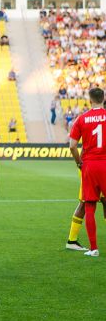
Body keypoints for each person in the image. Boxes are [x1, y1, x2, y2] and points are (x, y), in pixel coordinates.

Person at [69, 87, 106, 257]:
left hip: (90, 165)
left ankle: (94, 249)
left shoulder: (82, 119)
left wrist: (79, 162)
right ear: (103, 99)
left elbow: (72, 145)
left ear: (90, 100)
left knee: (89, 206)